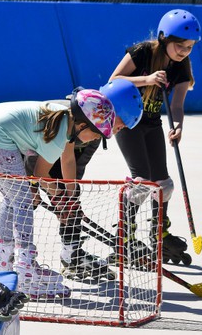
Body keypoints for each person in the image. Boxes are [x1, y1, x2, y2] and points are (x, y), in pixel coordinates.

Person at [0, 88, 121, 298]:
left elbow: (68, 161)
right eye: (96, 134)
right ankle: (25, 268)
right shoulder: (58, 133)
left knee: (13, 198)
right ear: (83, 125)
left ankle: (2, 259)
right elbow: (40, 174)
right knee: (23, 200)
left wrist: (71, 199)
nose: (94, 139)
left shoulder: (66, 120)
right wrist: (60, 199)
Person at [22, 79, 144, 281]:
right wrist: (34, 188)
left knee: (70, 198)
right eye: (122, 123)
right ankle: (12, 254)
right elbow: (31, 157)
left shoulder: (95, 131)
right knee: (24, 202)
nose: (121, 129)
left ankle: (71, 255)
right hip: (27, 151)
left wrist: (71, 200)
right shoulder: (73, 117)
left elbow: (75, 166)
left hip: (53, 157)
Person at [108, 8, 201, 265]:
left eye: (190, 47)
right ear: (163, 38)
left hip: (151, 123)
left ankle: (159, 232)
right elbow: (114, 80)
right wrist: (147, 79)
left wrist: (178, 126)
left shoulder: (181, 67)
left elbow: (178, 105)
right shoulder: (142, 52)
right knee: (141, 182)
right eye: (180, 46)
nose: (184, 52)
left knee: (164, 184)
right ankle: (124, 236)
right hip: (127, 120)